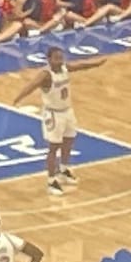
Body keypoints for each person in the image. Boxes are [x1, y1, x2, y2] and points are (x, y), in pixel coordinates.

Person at [35, 46, 78, 194]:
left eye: (61, 57)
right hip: (53, 114)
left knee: (69, 141)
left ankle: (63, 170)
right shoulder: (45, 75)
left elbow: (81, 66)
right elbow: (31, 86)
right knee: (54, 147)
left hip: (67, 110)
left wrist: (96, 63)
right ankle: (51, 180)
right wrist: (18, 98)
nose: (60, 61)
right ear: (49, 59)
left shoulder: (65, 68)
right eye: (56, 58)